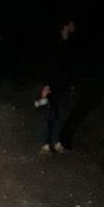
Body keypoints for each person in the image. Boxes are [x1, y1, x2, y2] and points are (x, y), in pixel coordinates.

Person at [39, 17, 81, 153]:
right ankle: (47, 142)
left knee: (61, 113)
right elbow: (47, 64)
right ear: (66, 26)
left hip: (64, 84)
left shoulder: (70, 43)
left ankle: (57, 141)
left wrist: (72, 84)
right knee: (51, 113)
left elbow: (71, 66)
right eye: (72, 24)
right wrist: (46, 84)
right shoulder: (54, 43)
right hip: (53, 83)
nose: (74, 27)